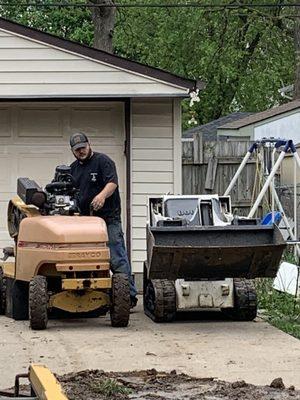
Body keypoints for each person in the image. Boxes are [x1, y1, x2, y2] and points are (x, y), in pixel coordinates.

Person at [69, 132, 138, 307]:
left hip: (108, 218)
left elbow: (112, 183)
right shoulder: (73, 169)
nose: (81, 152)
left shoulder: (103, 161)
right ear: (73, 151)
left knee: (116, 256)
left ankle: (128, 297)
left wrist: (101, 197)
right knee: (86, 258)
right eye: (77, 150)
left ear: (89, 144)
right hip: (86, 222)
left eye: (83, 148)